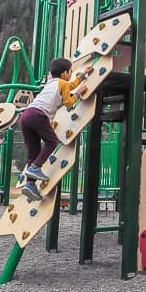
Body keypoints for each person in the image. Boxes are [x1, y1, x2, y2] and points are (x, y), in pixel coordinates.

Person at [19, 58, 92, 201]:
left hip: (26, 115)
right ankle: (34, 169)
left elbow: (70, 86)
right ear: (65, 73)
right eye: (71, 71)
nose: (71, 74)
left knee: (34, 152)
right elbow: (69, 104)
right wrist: (79, 93)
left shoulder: (52, 83)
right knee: (52, 142)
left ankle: (29, 184)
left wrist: (82, 76)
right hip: (38, 115)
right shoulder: (63, 83)